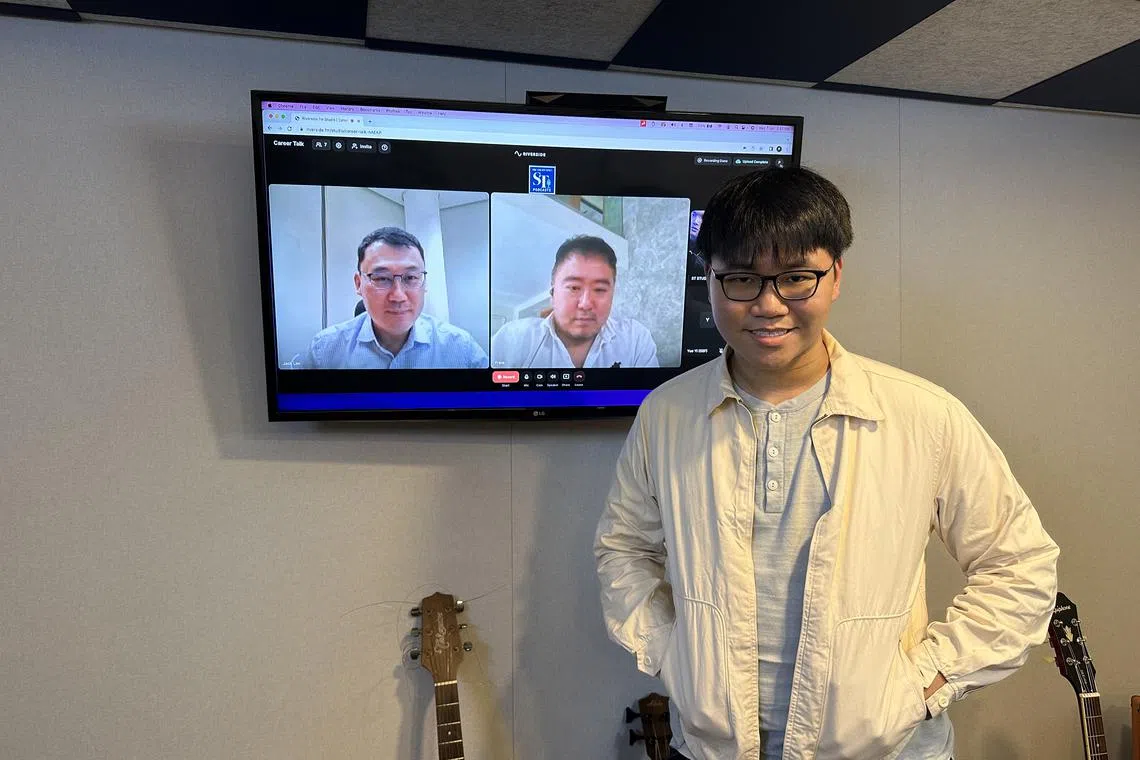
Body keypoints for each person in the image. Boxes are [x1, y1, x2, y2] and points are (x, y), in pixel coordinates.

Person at [594, 167, 1058, 760]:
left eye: (795, 278)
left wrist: (926, 682)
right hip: (712, 749)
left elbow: (1019, 563)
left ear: (835, 275)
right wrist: (669, 652)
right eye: (740, 279)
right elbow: (623, 549)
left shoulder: (922, 414)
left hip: (884, 751)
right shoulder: (667, 415)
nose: (768, 305)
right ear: (709, 281)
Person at [302, 227, 488, 369]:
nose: (398, 296)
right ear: (359, 284)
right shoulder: (324, 350)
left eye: (411, 278)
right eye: (382, 278)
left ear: (424, 283)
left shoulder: (462, 349)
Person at [490, 235, 659, 369]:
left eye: (600, 289)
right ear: (553, 290)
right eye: (574, 288)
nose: (585, 304)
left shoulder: (635, 339)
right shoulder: (513, 339)